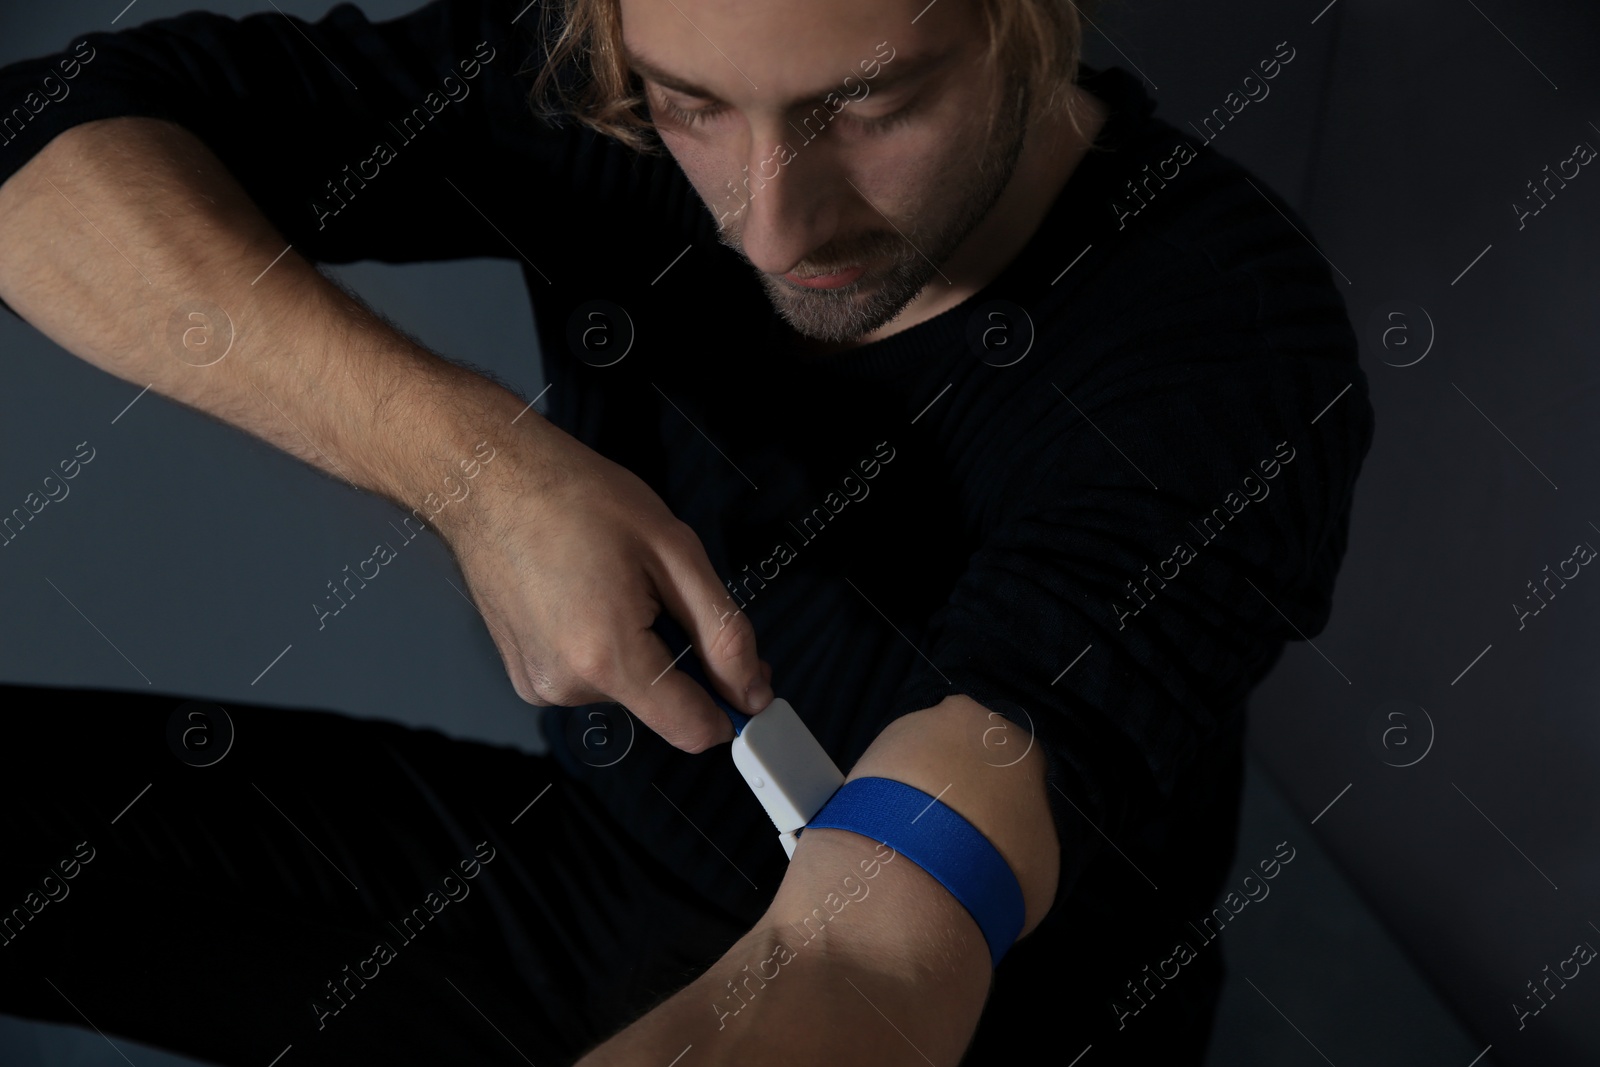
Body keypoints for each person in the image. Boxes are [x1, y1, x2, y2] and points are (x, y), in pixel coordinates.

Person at [0, 0, 1373, 1064]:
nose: (767, 223)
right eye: (692, 107)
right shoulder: (591, 84)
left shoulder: (1227, 341)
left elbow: (895, 936)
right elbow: (42, 154)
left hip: (979, 1015)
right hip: (596, 882)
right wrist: (475, 471)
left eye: (873, 103)